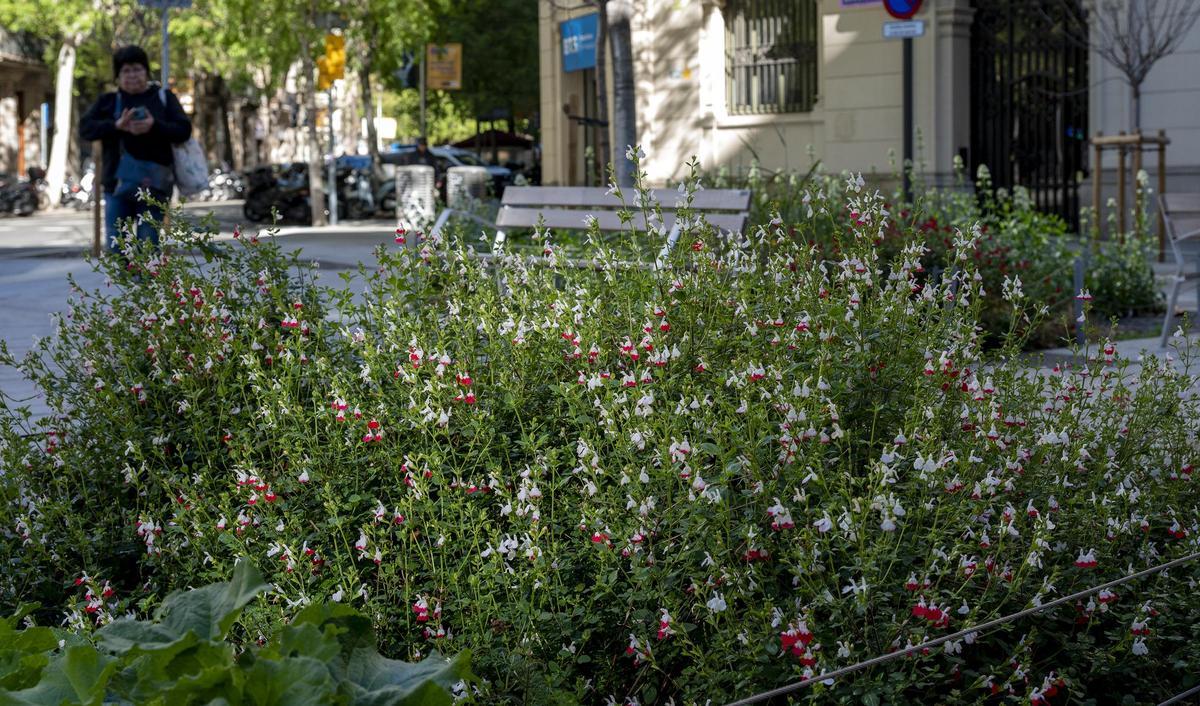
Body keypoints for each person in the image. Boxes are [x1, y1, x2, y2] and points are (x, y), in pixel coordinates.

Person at [79, 45, 192, 253]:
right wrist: (116, 125)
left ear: (146, 71)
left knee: (149, 246)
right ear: (118, 76)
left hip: (155, 184)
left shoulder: (163, 98)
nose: (132, 75)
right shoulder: (108, 101)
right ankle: (124, 284)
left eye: (137, 69)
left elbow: (184, 130)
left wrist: (154, 125)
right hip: (116, 184)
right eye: (126, 70)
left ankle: (148, 285)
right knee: (116, 245)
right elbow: (85, 129)